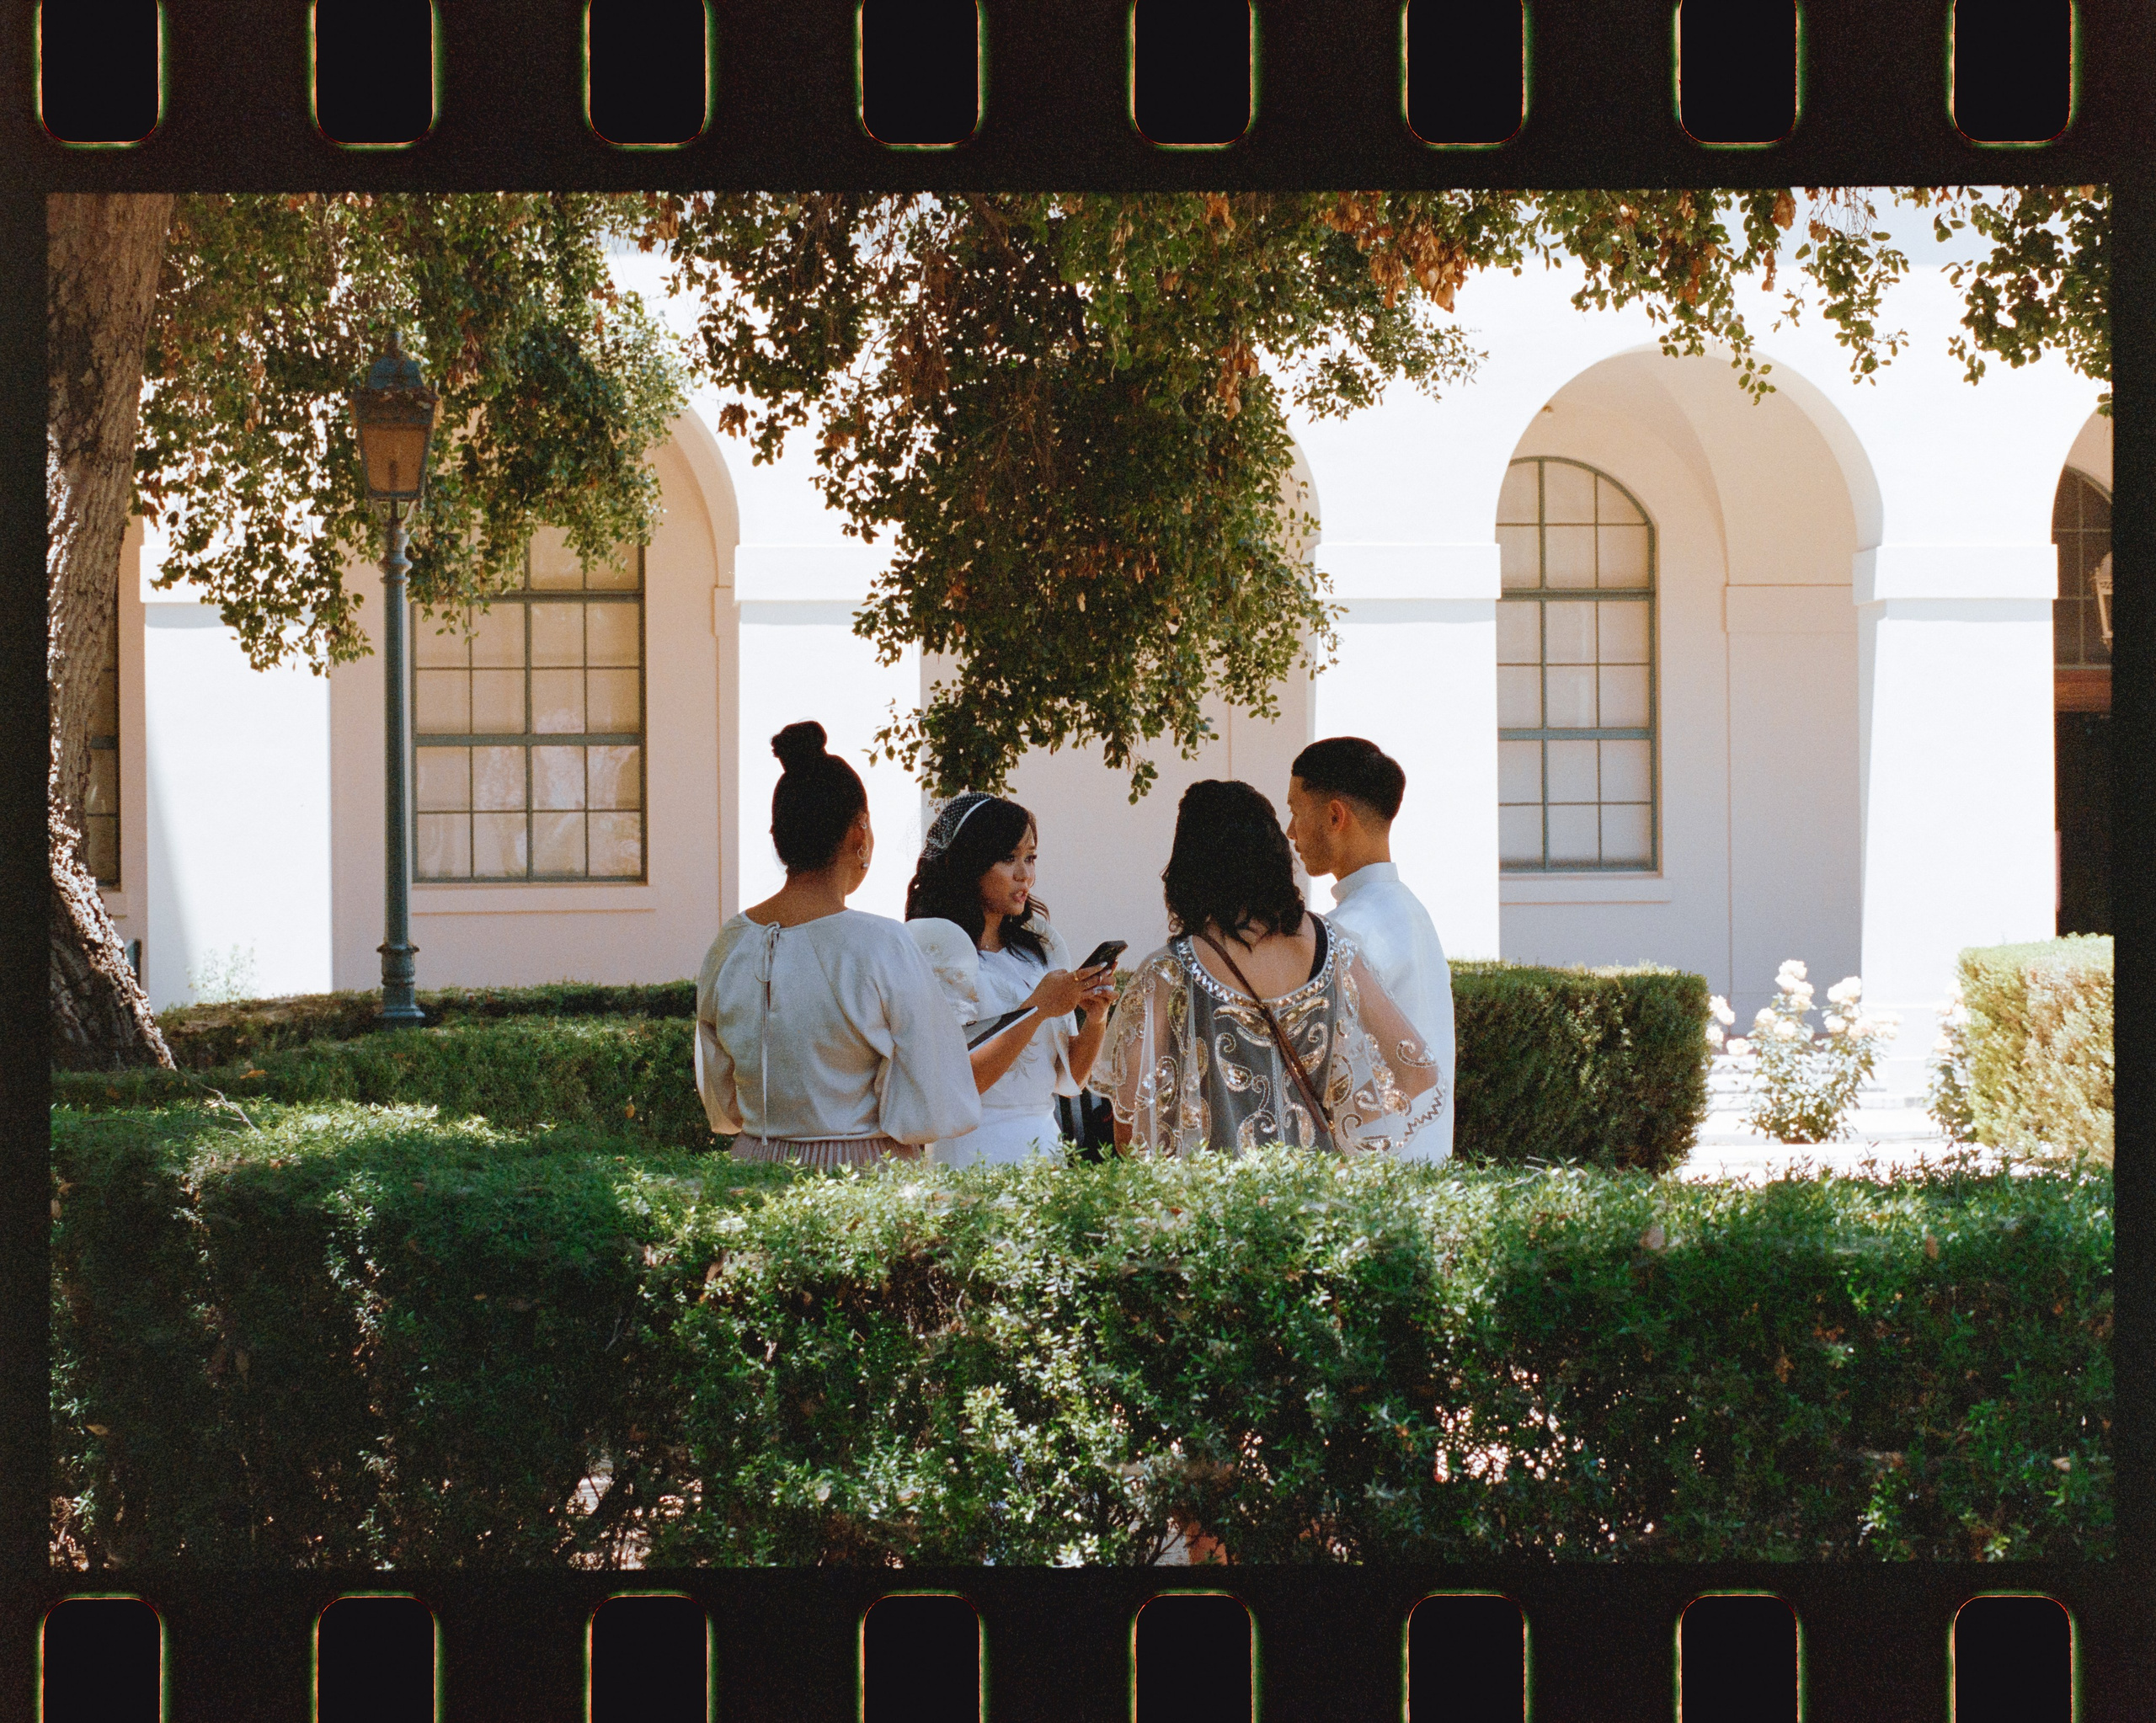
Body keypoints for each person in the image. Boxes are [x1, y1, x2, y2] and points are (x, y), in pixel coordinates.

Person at [1088, 778, 1441, 1156]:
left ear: (1191, 863)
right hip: (1317, 1201)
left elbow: (1130, 1114)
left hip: (1218, 1202)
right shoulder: (1333, 945)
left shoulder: (1167, 971)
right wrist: (1346, 1121)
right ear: (1274, 853)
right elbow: (1416, 1069)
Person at [694, 722, 980, 1166]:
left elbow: (721, 1098)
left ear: (779, 839)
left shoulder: (728, 944)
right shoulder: (882, 942)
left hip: (751, 1166)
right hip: (858, 1172)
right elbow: (934, 1101)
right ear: (859, 832)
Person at [904, 792, 1120, 1166]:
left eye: (1030, 857)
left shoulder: (1037, 951)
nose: (1026, 875)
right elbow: (957, 1086)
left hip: (1045, 1146)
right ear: (970, 864)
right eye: (1009, 858)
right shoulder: (937, 948)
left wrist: (1096, 1018)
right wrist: (1036, 1009)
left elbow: (1070, 1080)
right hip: (976, 1149)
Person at [1283, 736, 1456, 1162]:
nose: (1290, 833)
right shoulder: (1415, 913)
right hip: (1430, 1171)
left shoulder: (1345, 932)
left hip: (1373, 1187)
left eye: (1295, 811)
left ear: (1335, 815)